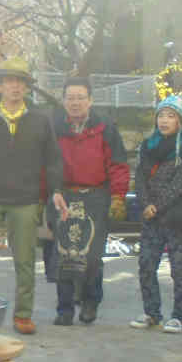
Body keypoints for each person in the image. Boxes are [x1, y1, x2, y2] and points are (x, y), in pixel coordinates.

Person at [0, 57, 66, 335]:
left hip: (26, 199)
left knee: (25, 259)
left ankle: (23, 315)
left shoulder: (40, 121)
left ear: (27, 88)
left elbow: (53, 160)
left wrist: (56, 190)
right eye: (9, 81)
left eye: (20, 82)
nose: (14, 86)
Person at [49, 76, 130, 326]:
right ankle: (64, 309)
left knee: (92, 255)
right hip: (64, 195)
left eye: (80, 97)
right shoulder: (53, 127)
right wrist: (50, 191)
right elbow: (47, 164)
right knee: (63, 253)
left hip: (96, 195)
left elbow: (117, 164)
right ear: (63, 101)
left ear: (90, 100)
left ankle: (90, 301)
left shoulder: (105, 126)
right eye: (70, 98)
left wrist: (118, 196)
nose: (75, 103)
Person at [128, 94, 182, 334]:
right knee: (146, 264)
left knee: (178, 266)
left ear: (180, 120)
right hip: (151, 215)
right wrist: (145, 203)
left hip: (177, 216)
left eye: (171, 116)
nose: (164, 120)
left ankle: (179, 316)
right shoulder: (149, 144)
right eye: (161, 115)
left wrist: (157, 206)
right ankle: (152, 313)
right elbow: (140, 176)